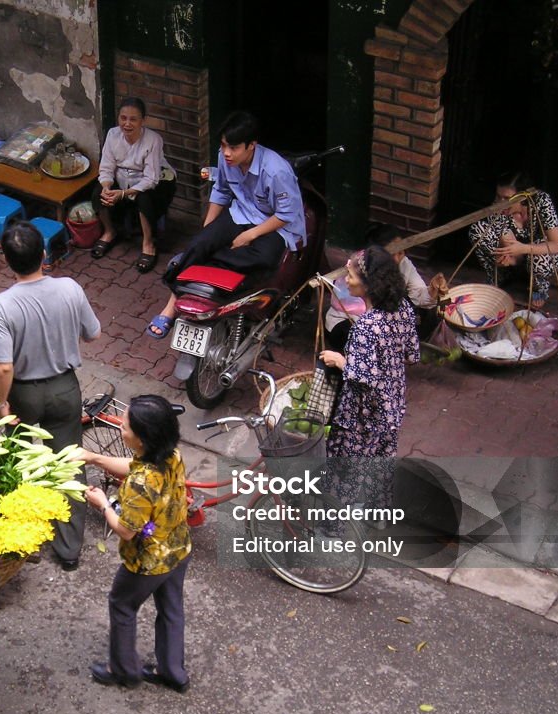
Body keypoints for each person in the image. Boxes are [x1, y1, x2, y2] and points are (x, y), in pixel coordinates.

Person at [0, 221, 101, 570]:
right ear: (45, 254)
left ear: (6, 259)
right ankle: (68, 550)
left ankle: (25, 541)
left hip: (23, 393)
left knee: (19, 464)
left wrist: (2, 402)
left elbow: (3, 368)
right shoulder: (69, 288)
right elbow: (93, 333)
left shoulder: (2, 305)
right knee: (68, 466)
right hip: (65, 388)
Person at [145, 110, 306, 338]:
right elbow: (220, 191)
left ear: (251, 146)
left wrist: (250, 236)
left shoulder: (277, 171)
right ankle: (170, 309)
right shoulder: (224, 158)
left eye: (233, 148)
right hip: (241, 212)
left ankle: (214, 275)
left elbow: (286, 214)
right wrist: (207, 231)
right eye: (223, 146)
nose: (226, 153)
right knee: (201, 243)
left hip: (273, 224)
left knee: (265, 259)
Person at [81, 395, 191, 692]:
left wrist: (101, 503)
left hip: (149, 561)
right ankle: (173, 672)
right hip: (178, 547)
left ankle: (124, 670)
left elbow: (127, 530)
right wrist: (94, 457)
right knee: (171, 608)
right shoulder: (170, 454)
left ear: (142, 439)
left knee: (122, 604)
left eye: (126, 426)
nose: (120, 428)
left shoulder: (140, 484)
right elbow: (134, 465)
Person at [318, 245, 420, 506]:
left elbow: (363, 379)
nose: (346, 280)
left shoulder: (366, 325)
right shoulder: (404, 308)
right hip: (392, 403)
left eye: (350, 275)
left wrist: (339, 360)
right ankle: (378, 514)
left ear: (368, 284)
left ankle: (332, 531)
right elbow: (411, 355)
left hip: (363, 415)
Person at [90, 97, 177, 273]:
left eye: (133, 119)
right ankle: (109, 232)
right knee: (97, 192)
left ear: (143, 121)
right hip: (123, 179)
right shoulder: (112, 135)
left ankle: (148, 243)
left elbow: (150, 178)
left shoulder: (153, 140)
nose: (127, 124)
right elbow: (106, 167)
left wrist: (123, 194)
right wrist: (107, 188)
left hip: (155, 182)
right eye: (123, 118)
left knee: (144, 199)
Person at [325, 223, 445, 350]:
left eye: (402, 251)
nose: (400, 258)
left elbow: (418, 294)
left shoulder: (404, 265)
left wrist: (432, 290)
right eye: (394, 253)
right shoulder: (361, 266)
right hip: (350, 320)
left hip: (378, 325)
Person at [468, 172, 558, 309]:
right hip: (516, 254)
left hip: (540, 253)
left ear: (523, 198)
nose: (501, 203)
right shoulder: (497, 208)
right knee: (478, 230)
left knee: (540, 260)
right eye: (498, 197)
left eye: (507, 199)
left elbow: (556, 245)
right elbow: (506, 241)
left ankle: (538, 288)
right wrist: (507, 258)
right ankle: (501, 274)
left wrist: (523, 249)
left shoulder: (542, 201)